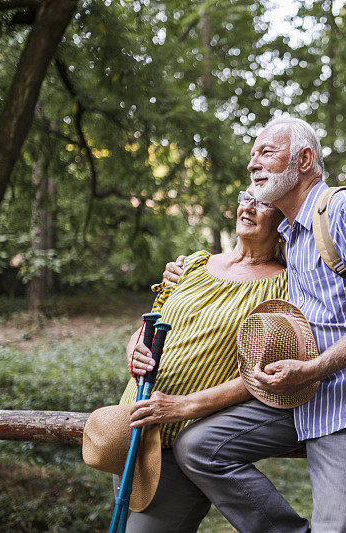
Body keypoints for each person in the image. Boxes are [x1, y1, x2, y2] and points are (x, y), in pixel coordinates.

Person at [171, 116, 346, 532]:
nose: (253, 165)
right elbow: (243, 269)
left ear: (305, 159)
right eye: (251, 157)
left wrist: (315, 368)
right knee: (199, 447)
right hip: (305, 400)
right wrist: (184, 274)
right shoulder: (293, 236)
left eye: (266, 152)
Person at [120, 184, 288, 531]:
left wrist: (184, 406)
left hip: (182, 442)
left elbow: (260, 377)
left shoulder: (284, 286)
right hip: (132, 431)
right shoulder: (194, 264)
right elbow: (151, 321)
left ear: (285, 217)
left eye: (264, 203)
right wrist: (133, 348)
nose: (250, 207)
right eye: (247, 198)